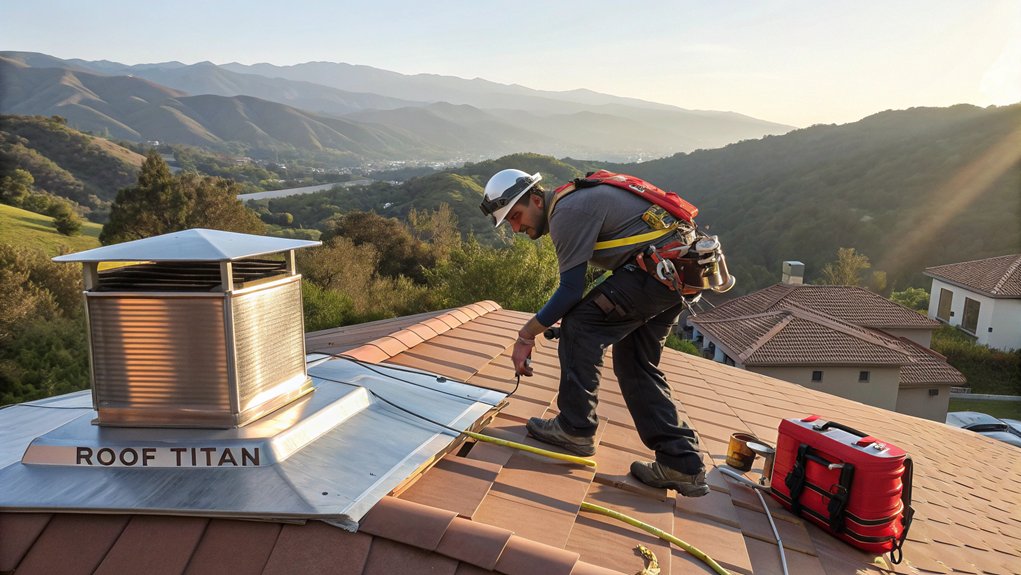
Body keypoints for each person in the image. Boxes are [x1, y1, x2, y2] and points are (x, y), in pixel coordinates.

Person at [479, 168, 709, 497]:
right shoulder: (573, 201)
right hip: (678, 272)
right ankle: (681, 463)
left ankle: (575, 427)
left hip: (660, 270)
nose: (516, 228)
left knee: (581, 326)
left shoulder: (566, 213)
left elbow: (570, 291)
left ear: (535, 199)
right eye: (509, 223)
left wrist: (526, 334)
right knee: (635, 362)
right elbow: (584, 284)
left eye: (516, 216)